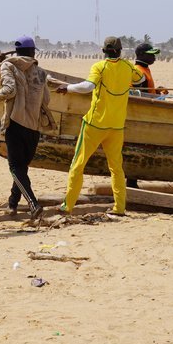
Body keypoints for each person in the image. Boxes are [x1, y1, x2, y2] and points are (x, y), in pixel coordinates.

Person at [55, 36, 145, 216]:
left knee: (78, 164)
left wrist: (68, 88)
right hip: (116, 126)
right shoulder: (128, 67)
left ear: (104, 51)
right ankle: (119, 208)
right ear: (120, 51)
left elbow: (88, 87)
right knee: (116, 168)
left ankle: (68, 206)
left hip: (94, 125)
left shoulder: (99, 67)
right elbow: (140, 78)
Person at [0, 35, 55, 219]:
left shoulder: (8, 66)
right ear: (32, 52)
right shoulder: (41, 72)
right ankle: (13, 203)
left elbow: (10, 90)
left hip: (16, 123)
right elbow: (46, 99)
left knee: (15, 168)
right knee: (22, 167)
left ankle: (33, 204)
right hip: (34, 127)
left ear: (17, 51)